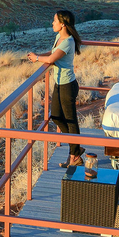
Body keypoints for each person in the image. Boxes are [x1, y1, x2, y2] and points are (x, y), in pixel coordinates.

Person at [26, 9, 84, 167]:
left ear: (63, 24)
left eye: (55, 21)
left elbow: (52, 58)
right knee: (57, 116)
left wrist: (37, 58)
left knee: (71, 120)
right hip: (59, 84)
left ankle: (74, 156)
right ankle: (75, 148)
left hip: (67, 85)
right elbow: (53, 53)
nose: (52, 23)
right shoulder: (59, 37)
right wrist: (39, 55)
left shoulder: (68, 42)